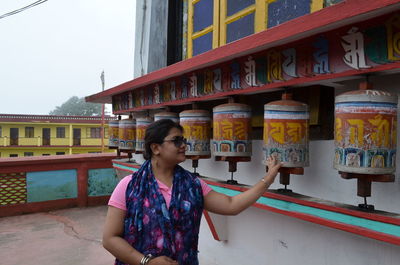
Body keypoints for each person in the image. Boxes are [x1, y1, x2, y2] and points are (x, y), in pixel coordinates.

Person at [103, 119, 282, 265]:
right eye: (176, 141)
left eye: (184, 141)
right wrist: (147, 262)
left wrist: (268, 179)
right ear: (156, 148)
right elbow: (110, 238)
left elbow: (231, 205)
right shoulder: (129, 186)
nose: (183, 145)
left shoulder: (193, 185)